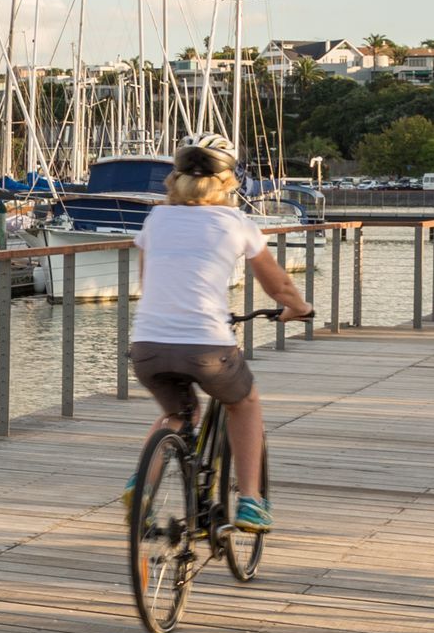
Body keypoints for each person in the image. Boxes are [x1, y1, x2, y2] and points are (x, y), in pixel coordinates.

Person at [125, 138, 310, 532]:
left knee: (178, 413)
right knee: (245, 402)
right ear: (228, 181)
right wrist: (300, 309)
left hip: (148, 346)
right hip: (207, 346)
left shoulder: (155, 220)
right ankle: (250, 502)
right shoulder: (237, 223)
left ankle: (139, 488)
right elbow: (278, 287)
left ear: (175, 179)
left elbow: (147, 282)